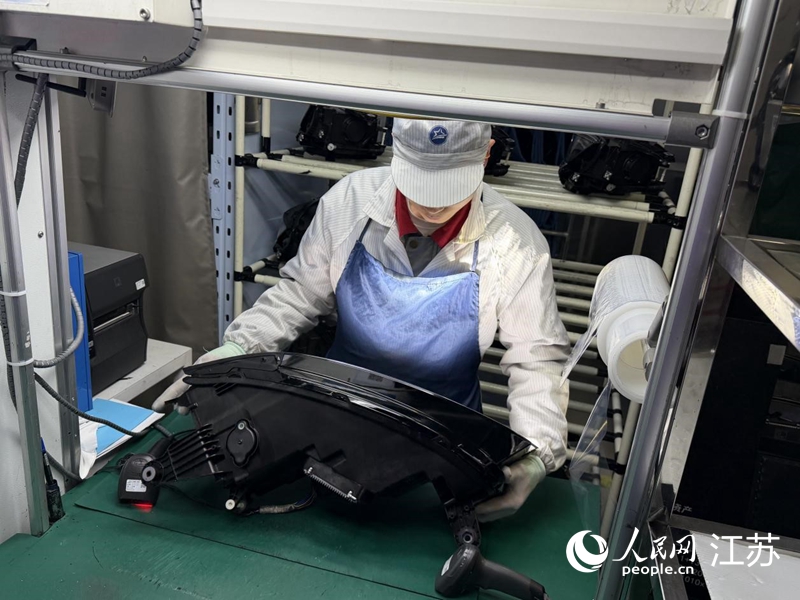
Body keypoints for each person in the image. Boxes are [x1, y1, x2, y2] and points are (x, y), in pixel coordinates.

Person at [153, 119, 570, 522]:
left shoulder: (516, 242)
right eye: (419, 184)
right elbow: (301, 293)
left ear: (486, 155)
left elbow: (536, 358)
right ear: (395, 152)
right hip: (334, 419)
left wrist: (536, 453)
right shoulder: (349, 202)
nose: (432, 205)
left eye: (449, 189)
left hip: (445, 444)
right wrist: (237, 349)